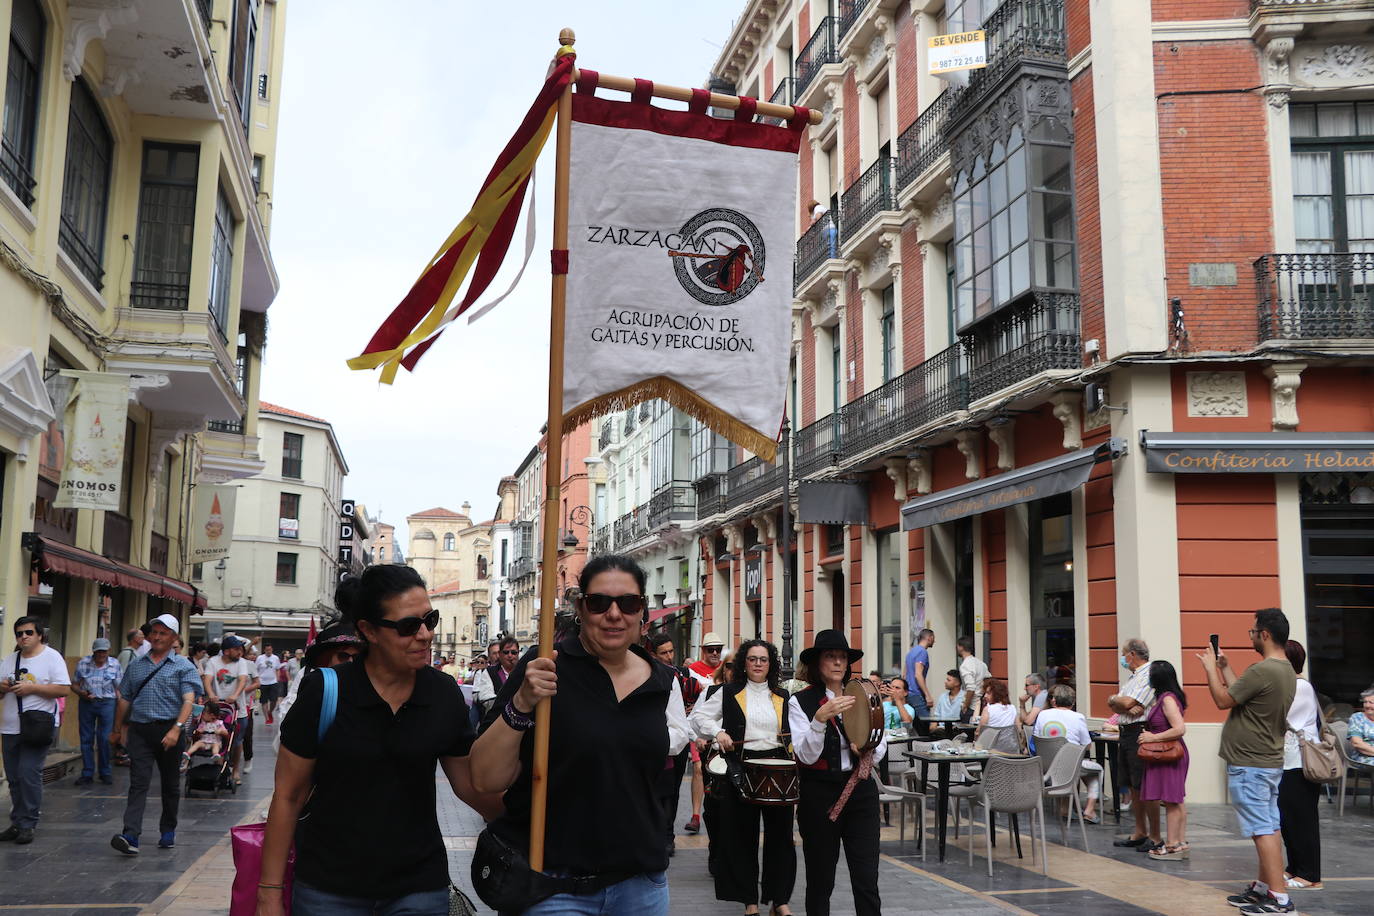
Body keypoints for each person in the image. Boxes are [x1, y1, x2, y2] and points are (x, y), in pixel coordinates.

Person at [257, 566, 500, 916]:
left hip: (418, 887)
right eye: (407, 626)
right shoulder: (326, 690)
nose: (425, 634)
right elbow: (289, 795)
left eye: (429, 620)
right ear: (368, 631)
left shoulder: (443, 693)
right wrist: (268, 893)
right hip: (329, 889)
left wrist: (538, 824)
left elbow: (471, 787)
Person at [468, 554, 691, 915]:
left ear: (641, 611)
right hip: (553, 885)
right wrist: (523, 702)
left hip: (640, 884)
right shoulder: (546, 665)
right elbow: (484, 776)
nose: (614, 614)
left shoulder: (661, 680)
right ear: (581, 609)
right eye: (600, 602)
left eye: (629, 603)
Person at [1200, 608, 1298, 915]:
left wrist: (1208, 670)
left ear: (1265, 635)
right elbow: (1241, 694)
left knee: (1262, 829)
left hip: (1250, 763)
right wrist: (1226, 668)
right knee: (1269, 825)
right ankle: (1262, 887)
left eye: (1253, 632)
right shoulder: (1284, 669)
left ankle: (1279, 899)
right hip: (1267, 760)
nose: (1252, 636)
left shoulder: (1263, 670)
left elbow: (1222, 700)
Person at [691, 640, 795, 916]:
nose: (758, 664)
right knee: (742, 837)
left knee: (781, 837)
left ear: (770, 664)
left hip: (777, 768)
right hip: (741, 767)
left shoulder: (783, 695)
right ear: (744, 663)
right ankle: (749, 900)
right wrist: (718, 732)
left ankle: (779, 900)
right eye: (752, 659)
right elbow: (698, 718)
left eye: (763, 659)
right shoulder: (727, 692)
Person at [788, 630, 886, 916]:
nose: (837, 663)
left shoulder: (864, 694)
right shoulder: (801, 703)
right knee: (820, 879)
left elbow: (881, 743)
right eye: (830, 656)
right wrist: (820, 719)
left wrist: (865, 749)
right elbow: (805, 755)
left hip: (860, 793)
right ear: (817, 662)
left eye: (842, 657)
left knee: (867, 878)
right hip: (818, 795)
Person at [110, 614, 202, 854]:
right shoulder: (136, 665)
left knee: (170, 784)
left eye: (163, 633)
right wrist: (118, 729)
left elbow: (189, 700)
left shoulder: (183, 666)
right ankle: (130, 835)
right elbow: (124, 698)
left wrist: (176, 729)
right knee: (138, 783)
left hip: (170, 730)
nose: (157, 637)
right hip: (140, 730)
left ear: (173, 638)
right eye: (154, 633)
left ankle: (168, 829)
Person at [0, 617, 71, 844]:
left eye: (28, 632)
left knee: (28, 773)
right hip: (11, 726)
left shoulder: (52, 657)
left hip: (38, 726)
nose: (24, 637)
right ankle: (18, 822)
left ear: (40, 634)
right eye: (19, 634)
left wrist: (33, 688)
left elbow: (64, 689)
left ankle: (28, 823)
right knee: (13, 777)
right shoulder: (10, 660)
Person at [648, 632, 703, 855]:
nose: (669, 656)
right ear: (653, 654)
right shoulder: (651, 674)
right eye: (664, 653)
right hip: (662, 742)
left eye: (671, 651)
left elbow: (703, 691)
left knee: (672, 791)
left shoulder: (681, 674)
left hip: (679, 741)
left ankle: (668, 835)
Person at [1109, 637, 1161, 853]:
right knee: (1132, 784)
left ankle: (1155, 836)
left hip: (1139, 732)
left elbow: (1129, 703)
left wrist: (1119, 703)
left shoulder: (1148, 674)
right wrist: (1116, 701)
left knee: (1144, 785)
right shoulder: (1133, 677)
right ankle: (1140, 831)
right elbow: (1116, 702)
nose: (1122, 658)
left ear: (1132, 655)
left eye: (1124, 654)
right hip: (1126, 733)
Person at [1278, 640, 1322, 890]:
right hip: (1287, 761)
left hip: (1301, 762)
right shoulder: (1289, 685)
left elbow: (1284, 719)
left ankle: (1310, 875)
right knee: (1288, 818)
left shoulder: (1301, 686)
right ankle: (1294, 868)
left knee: (1302, 819)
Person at [1139, 660, 1190, 861]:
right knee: (1175, 799)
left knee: (1170, 800)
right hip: (1168, 753)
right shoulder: (1166, 697)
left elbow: (1179, 728)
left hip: (1169, 753)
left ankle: (1171, 845)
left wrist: (1153, 737)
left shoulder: (1167, 699)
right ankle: (1179, 843)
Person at [1032, 685, 1103, 823]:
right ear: (1073, 702)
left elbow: (1036, 738)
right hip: (1069, 766)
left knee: (1073, 767)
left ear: (1054, 701)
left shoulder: (1042, 714)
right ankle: (1090, 810)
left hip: (1047, 765)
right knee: (1095, 771)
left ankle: (1065, 808)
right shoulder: (1078, 717)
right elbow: (1087, 746)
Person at [202, 635, 253, 784]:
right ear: (226, 651)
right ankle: (220, 768)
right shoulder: (213, 662)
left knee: (237, 741)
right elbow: (207, 679)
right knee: (218, 737)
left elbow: (243, 680)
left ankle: (235, 769)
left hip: (238, 709)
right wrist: (211, 694)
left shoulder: (241, 663)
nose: (240, 652)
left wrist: (235, 695)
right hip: (218, 709)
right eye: (236, 649)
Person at [702, 651, 735, 878]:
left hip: (739, 761)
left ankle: (731, 857)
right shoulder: (712, 691)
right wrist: (707, 735)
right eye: (730, 665)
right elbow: (694, 722)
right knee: (713, 811)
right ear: (724, 668)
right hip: (714, 759)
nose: (734, 670)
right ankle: (716, 849)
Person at [73, 637, 121, 786]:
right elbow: (74, 684)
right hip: (87, 703)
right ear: (94, 651)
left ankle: (105, 772)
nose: (101, 654)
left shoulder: (115, 664)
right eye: (99, 651)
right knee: (86, 738)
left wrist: (121, 706)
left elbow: (119, 688)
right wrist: (81, 693)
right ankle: (87, 772)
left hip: (107, 702)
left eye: (104, 651)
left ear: (108, 651)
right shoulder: (83, 663)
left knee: (104, 738)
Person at [473, 636, 519, 717]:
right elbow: (486, 698)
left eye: (514, 652)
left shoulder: (523, 671)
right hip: (497, 720)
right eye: (506, 652)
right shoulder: (489, 672)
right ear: (501, 654)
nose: (510, 655)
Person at [181, 699, 229, 771]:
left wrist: (220, 731)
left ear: (211, 715)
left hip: (215, 742)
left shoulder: (219, 723)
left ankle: (215, 754)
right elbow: (198, 733)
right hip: (204, 742)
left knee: (216, 746)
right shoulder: (203, 723)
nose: (202, 715)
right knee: (197, 743)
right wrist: (199, 732)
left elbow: (226, 733)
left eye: (204, 713)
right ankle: (188, 753)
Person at [975, 678, 1020, 752]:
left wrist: (975, 745)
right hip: (1011, 751)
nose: (985, 696)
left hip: (991, 752)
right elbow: (1018, 730)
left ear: (997, 693)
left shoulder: (988, 709)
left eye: (988, 693)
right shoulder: (1012, 708)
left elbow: (979, 732)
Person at [903, 629, 935, 726]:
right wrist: (927, 695)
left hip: (909, 694)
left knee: (916, 726)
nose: (934, 641)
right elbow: (918, 674)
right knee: (926, 725)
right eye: (934, 638)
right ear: (929, 638)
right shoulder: (922, 652)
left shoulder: (911, 652)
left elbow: (904, 675)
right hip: (917, 694)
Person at [955, 636, 990, 723]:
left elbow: (970, 688)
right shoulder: (981, 664)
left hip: (971, 707)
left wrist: (965, 705)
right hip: (981, 705)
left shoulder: (965, 665)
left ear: (961, 647)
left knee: (966, 734)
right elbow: (988, 680)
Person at [256, 643, 282, 724]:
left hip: (273, 682)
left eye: (270, 650)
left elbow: (278, 669)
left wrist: (277, 678)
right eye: (267, 650)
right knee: (264, 701)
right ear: (264, 650)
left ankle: (270, 712)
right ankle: (267, 718)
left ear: (272, 650)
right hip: (262, 682)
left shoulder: (275, 658)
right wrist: (257, 681)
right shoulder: (260, 658)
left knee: (274, 700)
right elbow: (255, 669)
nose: (268, 651)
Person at [1347, 687, 1374, 765]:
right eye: (1365, 702)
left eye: (1371, 702)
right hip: (1363, 756)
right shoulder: (1357, 718)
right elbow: (1357, 743)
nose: (1367, 705)